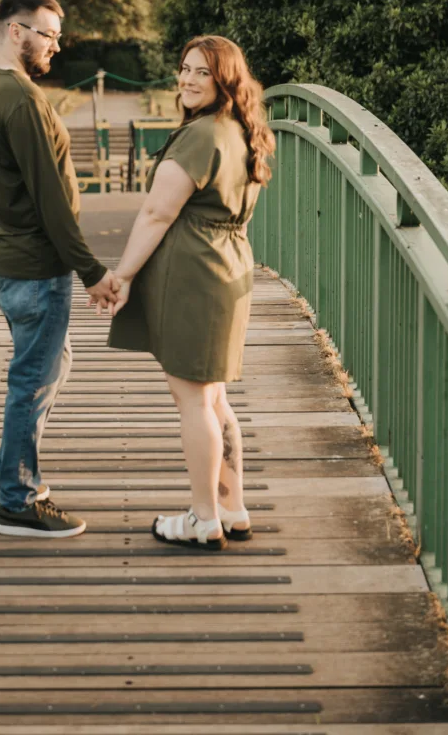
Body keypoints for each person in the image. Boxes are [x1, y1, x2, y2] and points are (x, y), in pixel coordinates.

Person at [108, 35, 275, 550]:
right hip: (225, 269)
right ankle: (232, 507)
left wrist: (125, 274)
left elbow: (158, 212)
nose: (187, 79)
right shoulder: (241, 131)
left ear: (224, 78)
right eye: (183, 69)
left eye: (202, 72)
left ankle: (203, 518)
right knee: (214, 398)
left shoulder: (202, 135)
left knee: (193, 401)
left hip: (195, 276)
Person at [0, 0, 119, 538]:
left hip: (4, 260)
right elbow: (53, 202)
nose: (56, 45)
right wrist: (94, 273)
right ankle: (19, 501)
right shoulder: (23, 102)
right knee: (33, 379)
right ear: (16, 30)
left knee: (51, 366)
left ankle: (3, 478)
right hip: (34, 266)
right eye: (48, 34)